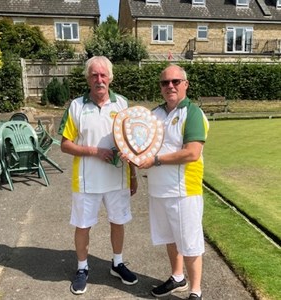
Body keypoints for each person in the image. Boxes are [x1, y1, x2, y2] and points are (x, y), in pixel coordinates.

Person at [58, 56, 138, 295]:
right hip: (86, 180)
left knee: (118, 221)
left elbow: (131, 142)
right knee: (83, 226)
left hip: (118, 179)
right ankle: (82, 268)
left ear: (111, 77)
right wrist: (94, 151)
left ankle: (117, 263)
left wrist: (133, 174)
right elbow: (65, 144)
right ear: (88, 78)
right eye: (94, 75)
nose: (99, 79)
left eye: (103, 75)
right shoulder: (76, 106)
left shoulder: (122, 104)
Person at [138, 65, 209, 300]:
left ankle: (195, 291)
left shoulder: (193, 113)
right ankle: (178, 277)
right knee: (169, 238)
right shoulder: (155, 114)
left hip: (184, 190)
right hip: (159, 190)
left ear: (185, 84)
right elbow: (141, 143)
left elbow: (192, 153)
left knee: (190, 242)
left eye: (176, 81)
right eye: (165, 83)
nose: (170, 86)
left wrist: (155, 160)